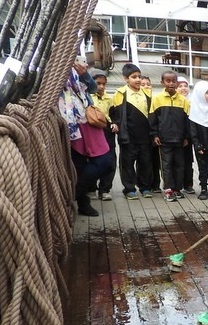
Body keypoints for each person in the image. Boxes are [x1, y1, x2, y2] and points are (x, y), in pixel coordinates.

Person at [59, 59, 114, 217]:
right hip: (69, 122)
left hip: (88, 118)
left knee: (105, 161)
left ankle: (75, 192)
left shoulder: (77, 69)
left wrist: (85, 75)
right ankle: (83, 202)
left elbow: (93, 88)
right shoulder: (52, 70)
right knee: (79, 164)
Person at [111, 63, 153, 199]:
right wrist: (116, 126)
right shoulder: (120, 93)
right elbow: (115, 114)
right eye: (134, 77)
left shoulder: (146, 93)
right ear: (125, 78)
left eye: (139, 77)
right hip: (128, 136)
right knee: (127, 163)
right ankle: (129, 188)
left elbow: (151, 113)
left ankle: (145, 187)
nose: (138, 80)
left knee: (145, 162)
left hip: (145, 136)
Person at [149, 70, 191, 202]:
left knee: (179, 164)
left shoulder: (183, 100)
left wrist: (186, 137)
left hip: (179, 140)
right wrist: (154, 134)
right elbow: (152, 119)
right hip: (164, 139)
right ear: (162, 82)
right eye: (168, 81)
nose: (171, 83)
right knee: (166, 165)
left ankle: (177, 188)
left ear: (177, 83)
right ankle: (168, 189)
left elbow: (187, 121)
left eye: (174, 81)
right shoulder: (157, 99)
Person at [90, 71, 117, 201]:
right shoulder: (88, 97)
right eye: (98, 83)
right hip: (92, 131)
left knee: (110, 161)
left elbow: (114, 115)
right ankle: (91, 188)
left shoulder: (109, 99)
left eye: (103, 84)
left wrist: (115, 124)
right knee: (92, 160)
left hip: (106, 131)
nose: (101, 87)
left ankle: (105, 189)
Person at [175, 76, 196, 195]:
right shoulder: (174, 101)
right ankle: (175, 185)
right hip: (176, 136)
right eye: (180, 86)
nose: (183, 88)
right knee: (176, 162)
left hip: (189, 137)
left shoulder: (193, 101)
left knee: (188, 162)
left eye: (185, 86)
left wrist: (188, 137)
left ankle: (188, 184)